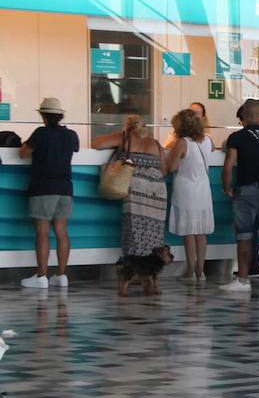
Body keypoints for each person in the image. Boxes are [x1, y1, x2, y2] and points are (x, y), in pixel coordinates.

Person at [219, 100, 259, 293]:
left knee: (245, 237)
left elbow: (229, 165)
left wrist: (226, 187)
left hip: (245, 191)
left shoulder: (237, 137)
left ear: (244, 116)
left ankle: (243, 280)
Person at [18, 97, 79, 289]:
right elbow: (75, 150)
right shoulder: (71, 135)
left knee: (42, 232)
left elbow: (23, 153)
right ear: (60, 116)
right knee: (62, 232)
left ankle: (41, 276)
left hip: (43, 187)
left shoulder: (40, 133)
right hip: (65, 188)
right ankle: (61, 275)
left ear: (43, 116)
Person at [93, 114, 168, 265]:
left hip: (136, 189)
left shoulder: (124, 137)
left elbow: (97, 143)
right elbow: (164, 169)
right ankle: (149, 271)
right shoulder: (155, 143)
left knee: (134, 229)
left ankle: (134, 270)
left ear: (128, 126)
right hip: (158, 190)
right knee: (154, 232)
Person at [165, 107, 215, 283]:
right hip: (203, 191)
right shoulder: (207, 141)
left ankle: (190, 272)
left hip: (186, 190)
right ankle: (201, 272)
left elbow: (171, 167)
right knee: (201, 233)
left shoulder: (182, 143)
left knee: (189, 233)